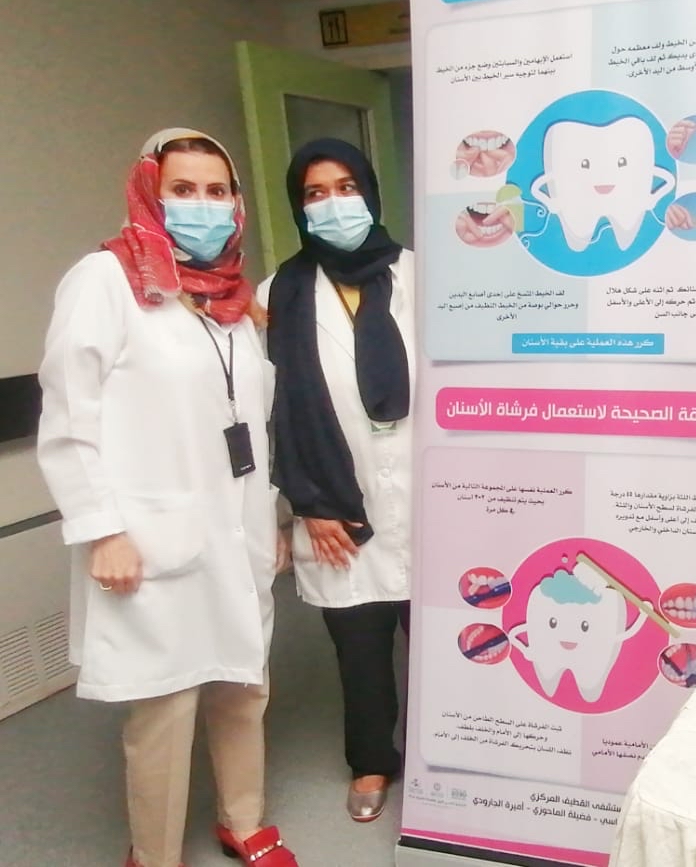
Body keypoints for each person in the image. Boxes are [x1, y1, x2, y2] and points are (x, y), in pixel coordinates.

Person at [36, 129, 297, 867]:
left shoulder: (233, 297)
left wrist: (272, 518)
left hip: (237, 527)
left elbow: (253, 422)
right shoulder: (105, 280)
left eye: (216, 191)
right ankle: (153, 854)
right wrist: (102, 529)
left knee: (244, 682)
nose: (201, 206)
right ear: (150, 191)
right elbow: (68, 415)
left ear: (237, 203)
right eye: (183, 190)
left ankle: (242, 820)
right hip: (150, 534)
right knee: (166, 703)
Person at [260, 138, 415, 823]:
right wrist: (309, 501)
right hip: (333, 503)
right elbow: (274, 409)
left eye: (346, 187)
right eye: (315, 193)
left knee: (444, 638)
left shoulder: (420, 275)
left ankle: (450, 755)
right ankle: (371, 759)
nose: (333, 203)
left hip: (429, 493)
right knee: (358, 643)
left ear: (370, 193)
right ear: (299, 206)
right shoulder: (278, 292)